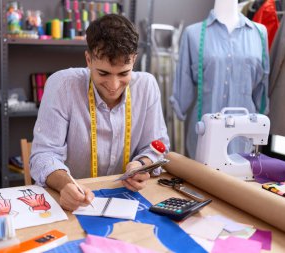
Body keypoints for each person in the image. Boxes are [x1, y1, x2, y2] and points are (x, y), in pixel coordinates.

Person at [30, 14, 170, 211]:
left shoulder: (147, 86)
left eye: (123, 73)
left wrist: (141, 165)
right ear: (88, 59)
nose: (113, 86)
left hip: (125, 199)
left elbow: (158, 147)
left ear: (134, 60)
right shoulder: (62, 85)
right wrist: (65, 185)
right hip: (74, 202)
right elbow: (43, 155)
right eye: (103, 73)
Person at [170, 0, 269, 159]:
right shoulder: (193, 34)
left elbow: (262, 85)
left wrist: (262, 112)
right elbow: (183, 85)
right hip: (205, 132)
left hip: (244, 134)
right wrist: (179, 107)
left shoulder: (259, 32)